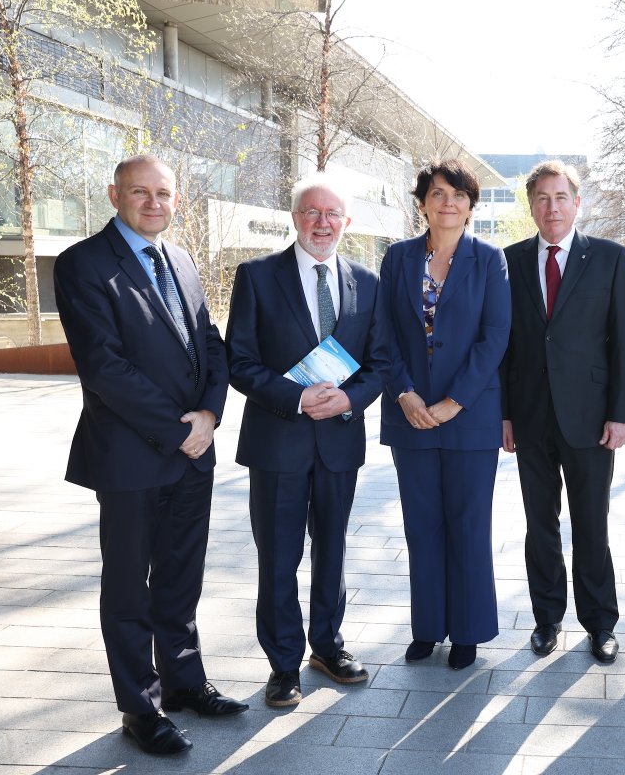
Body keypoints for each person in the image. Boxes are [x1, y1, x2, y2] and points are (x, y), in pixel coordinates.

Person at [53, 154, 247, 756]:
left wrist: (210, 415)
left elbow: (209, 344)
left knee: (181, 577)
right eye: (141, 192)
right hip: (132, 456)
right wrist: (177, 429)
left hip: (192, 451)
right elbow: (104, 367)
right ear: (115, 195)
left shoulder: (183, 261)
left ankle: (185, 683)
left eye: (164, 193)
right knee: (129, 588)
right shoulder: (83, 264)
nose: (154, 202)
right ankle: (140, 706)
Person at [226, 174, 386, 707]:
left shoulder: (367, 282)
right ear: (295, 219)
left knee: (333, 552)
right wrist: (295, 398)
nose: (323, 222)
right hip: (278, 440)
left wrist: (349, 399)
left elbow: (381, 362)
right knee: (278, 555)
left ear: (347, 222)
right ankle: (282, 663)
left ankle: (327, 646)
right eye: (312, 212)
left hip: (339, 440)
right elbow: (240, 362)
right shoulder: (256, 277)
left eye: (333, 213)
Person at [501, 159, 625, 664]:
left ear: (577, 204)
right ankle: (546, 619)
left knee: (591, 525)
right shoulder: (510, 261)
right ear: (531, 206)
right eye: (541, 198)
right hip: (531, 416)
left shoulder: (608, 258)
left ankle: (600, 623)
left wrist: (622, 412)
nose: (551, 207)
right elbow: (506, 344)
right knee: (540, 526)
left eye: (561, 198)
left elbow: (624, 341)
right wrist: (505, 413)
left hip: (591, 416)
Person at [379, 159, 511, 670]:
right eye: (438, 194)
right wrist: (406, 394)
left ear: (471, 206)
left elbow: (495, 336)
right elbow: (383, 334)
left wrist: (454, 401)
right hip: (409, 415)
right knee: (422, 524)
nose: (448, 203)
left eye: (458, 195)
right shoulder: (398, 259)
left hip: (469, 416)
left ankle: (468, 631)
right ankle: (428, 627)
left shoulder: (489, 260)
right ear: (423, 203)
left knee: (468, 524)